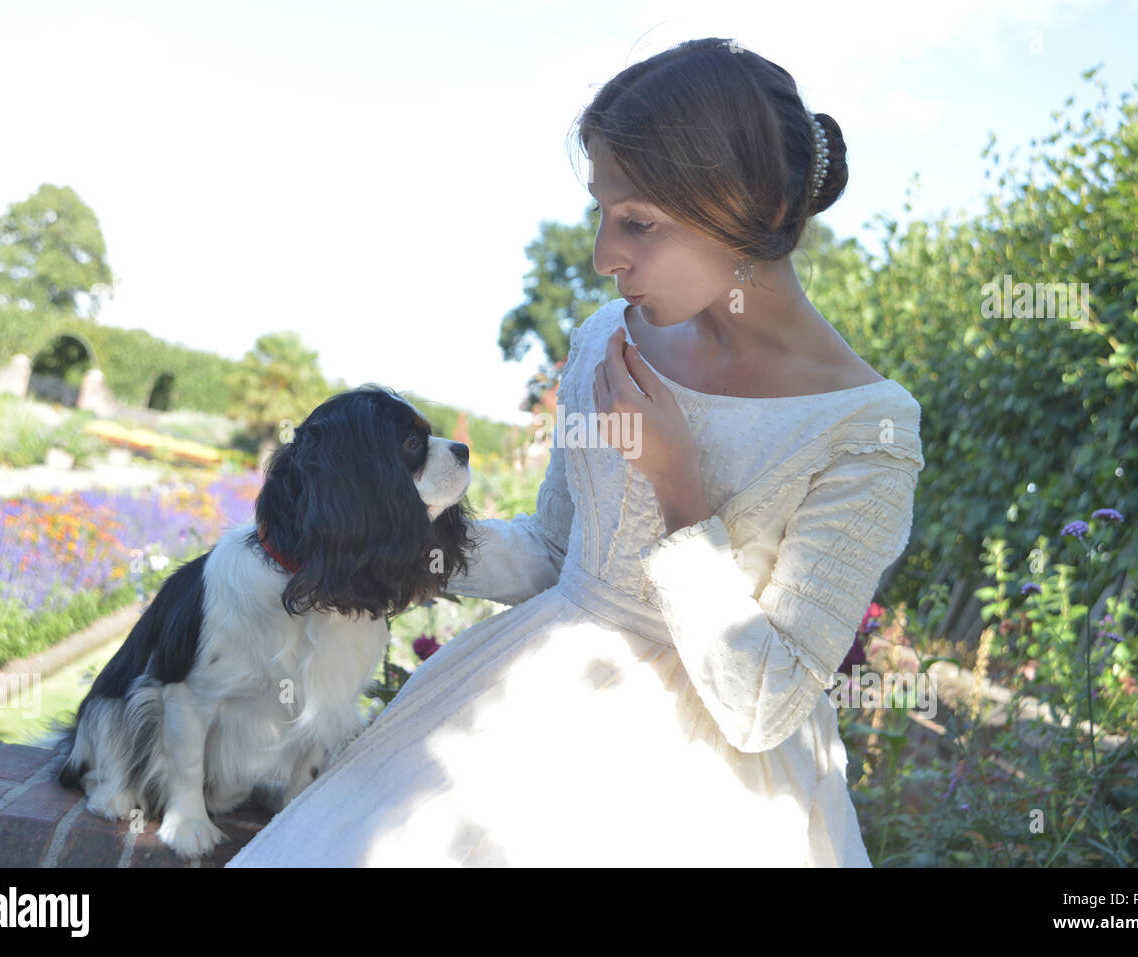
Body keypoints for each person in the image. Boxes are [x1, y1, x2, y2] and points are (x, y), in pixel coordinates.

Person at [227, 37, 925, 867]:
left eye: (638, 222)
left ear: (748, 209)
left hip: (706, 803)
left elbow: (764, 704)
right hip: (522, 717)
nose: (604, 256)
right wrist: (391, 544)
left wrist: (680, 491)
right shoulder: (605, 342)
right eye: (603, 211)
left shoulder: (867, 428)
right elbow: (560, 552)